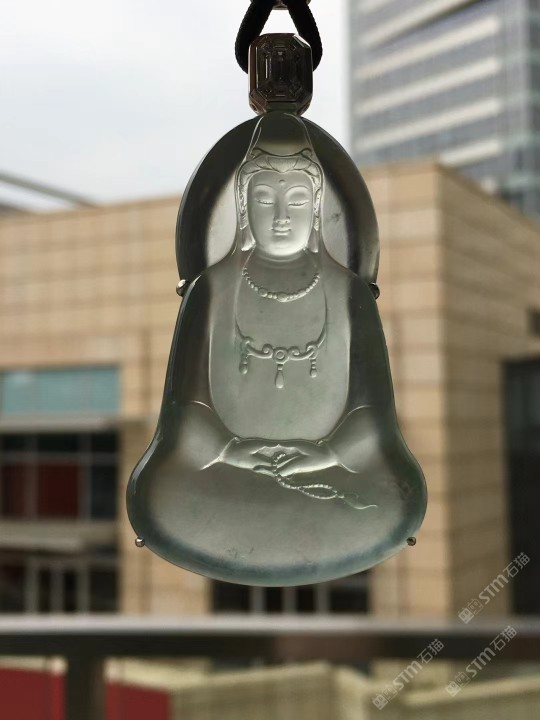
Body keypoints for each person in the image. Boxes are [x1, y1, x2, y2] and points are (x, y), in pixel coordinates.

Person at [127, 113, 426, 584]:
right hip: (224, 469)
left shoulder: (348, 293)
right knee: (161, 495)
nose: (282, 216)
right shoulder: (211, 290)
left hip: (328, 471)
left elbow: (371, 415)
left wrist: (328, 454)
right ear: (243, 208)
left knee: (396, 498)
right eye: (265, 199)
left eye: (298, 200)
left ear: (317, 209)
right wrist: (228, 450)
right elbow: (185, 412)